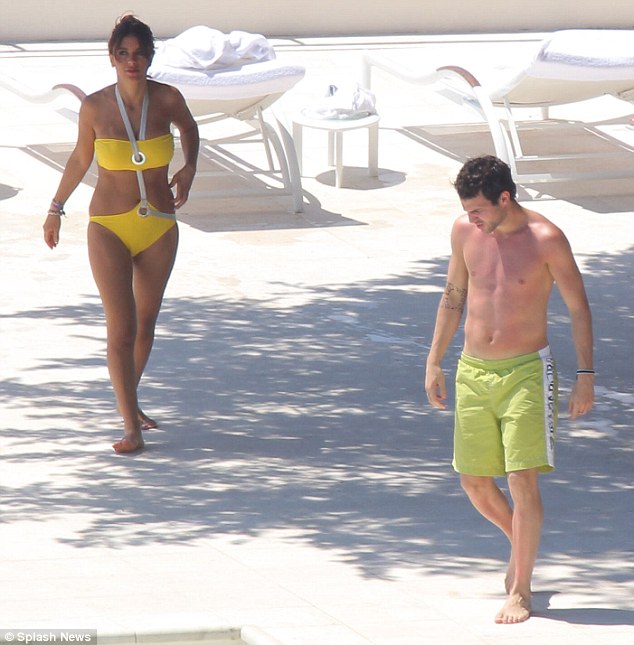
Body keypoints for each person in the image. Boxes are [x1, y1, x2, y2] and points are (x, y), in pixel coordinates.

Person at [425, 155, 594, 624]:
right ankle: (520, 546)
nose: (472, 218)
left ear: (504, 198)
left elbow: (578, 307)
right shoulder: (464, 231)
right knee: (474, 482)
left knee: (521, 479)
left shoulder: (546, 238)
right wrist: (434, 360)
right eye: (467, 210)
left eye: (479, 209)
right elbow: (453, 296)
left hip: (526, 373)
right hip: (472, 370)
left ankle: (521, 589)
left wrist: (585, 375)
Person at [43, 14, 200, 454]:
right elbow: (80, 159)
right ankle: (131, 426)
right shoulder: (95, 107)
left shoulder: (167, 98)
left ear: (150, 57)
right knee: (121, 328)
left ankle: (130, 400)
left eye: (140, 53)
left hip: (159, 225)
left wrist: (189, 167)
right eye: (124, 53)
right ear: (112, 58)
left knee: (146, 324)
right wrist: (55, 209)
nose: (133, 61)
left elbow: (190, 128)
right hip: (109, 226)